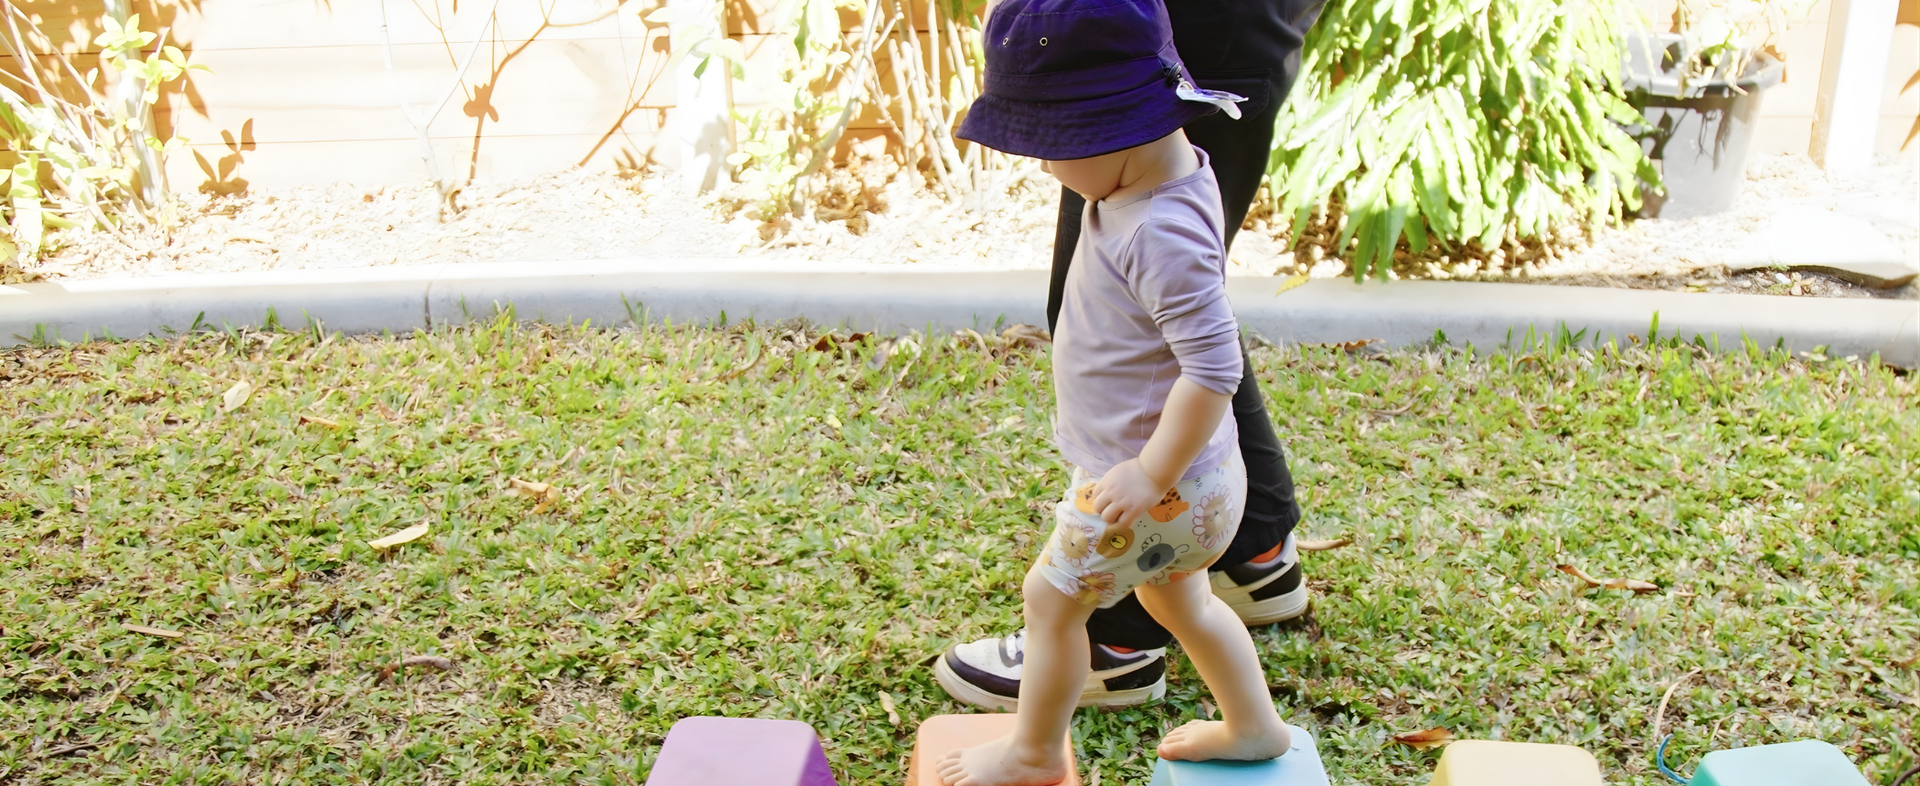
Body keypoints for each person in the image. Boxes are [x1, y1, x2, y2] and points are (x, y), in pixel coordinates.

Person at [933, 3, 1294, 783]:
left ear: (1111, 131)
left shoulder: (1157, 232)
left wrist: (1150, 473)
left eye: (1051, 149)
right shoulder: (1168, 173)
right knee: (1183, 605)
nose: (1045, 166)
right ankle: (1255, 728)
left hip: (1160, 488)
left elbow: (1214, 366)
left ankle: (1033, 755)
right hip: (1189, 491)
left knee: (1050, 601)